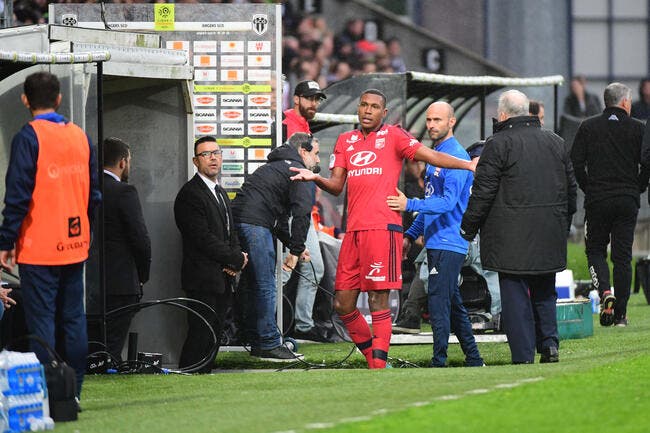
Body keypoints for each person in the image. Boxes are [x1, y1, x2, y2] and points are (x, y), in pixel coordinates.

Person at [290, 89, 476, 369]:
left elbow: (429, 156)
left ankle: (378, 365)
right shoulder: (345, 141)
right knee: (342, 304)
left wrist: (466, 164)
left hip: (383, 229)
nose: (367, 110)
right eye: (363, 105)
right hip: (354, 231)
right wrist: (315, 177)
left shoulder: (395, 136)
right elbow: (337, 185)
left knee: (379, 298)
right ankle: (374, 359)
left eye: (374, 106)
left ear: (383, 113)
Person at [0, 71, 100, 397]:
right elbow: (94, 195)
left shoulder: (28, 137)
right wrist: (86, 232)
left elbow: (17, 195)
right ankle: (74, 392)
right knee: (73, 319)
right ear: (58, 99)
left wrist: (5, 242)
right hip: (75, 245)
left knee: (41, 322)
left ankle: (49, 394)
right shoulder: (80, 137)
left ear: (25, 100)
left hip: (38, 247)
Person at [461, 89, 577, 364]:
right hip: (549, 230)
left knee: (515, 296)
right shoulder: (556, 142)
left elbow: (483, 190)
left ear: (502, 114)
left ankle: (523, 354)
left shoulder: (497, 143)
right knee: (544, 291)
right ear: (528, 111)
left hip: (509, 236)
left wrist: (468, 227)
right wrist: (563, 222)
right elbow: (571, 190)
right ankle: (549, 346)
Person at [387, 102, 484, 368]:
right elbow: (434, 201)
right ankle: (474, 359)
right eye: (429, 120)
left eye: (437, 120)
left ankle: (439, 361)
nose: (431, 125)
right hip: (437, 240)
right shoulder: (436, 155)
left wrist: (410, 205)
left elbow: (448, 203)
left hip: (450, 241)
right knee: (452, 304)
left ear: (451, 122)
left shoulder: (455, 156)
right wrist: (411, 233)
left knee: (439, 303)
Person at [232, 132, 320, 362]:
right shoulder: (297, 171)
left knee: (253, 284)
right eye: (316, 154)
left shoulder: (277, 166)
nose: (318, 161)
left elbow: (280, 219)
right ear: (303, 151)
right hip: (254, 225)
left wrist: (296, 247)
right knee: (265, 284)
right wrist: (295, 250)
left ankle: (255, 338)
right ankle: (269, 343)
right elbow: (301, 215)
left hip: (241, 222)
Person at [571, 83, 650, 327]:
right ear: (626, 103)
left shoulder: (588, 126)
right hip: (627, 200)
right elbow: (646, 161)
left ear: (606, 101)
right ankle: (621, 316)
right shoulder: (639, 128)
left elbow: (576, 162)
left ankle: (605, 292)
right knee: (622, 257)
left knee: (595, 250)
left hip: (598, 199)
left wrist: (588, 187)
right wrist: (638, 186)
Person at [174, 136, 248, 373]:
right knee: (200, 333)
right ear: (196, 161)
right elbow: (202, 238)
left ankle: (203, 375)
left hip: (222, 278)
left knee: (214, 334)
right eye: (206, 154)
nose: (213, 157)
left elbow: (230, 233)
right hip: (201, 278)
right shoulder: (190, 194)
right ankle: (189, 374)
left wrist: (235, 261)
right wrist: (235, 259)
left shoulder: (220, 192)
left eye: (216, 152)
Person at [281, 81, 327, 342]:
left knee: (314, 267)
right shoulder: (285, 123)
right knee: (286, 269)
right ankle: (273, 325)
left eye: (317, 99)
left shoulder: (305, 127)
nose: (314, 104)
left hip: (301, 207)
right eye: (309, 98)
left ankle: (303, 325)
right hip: (286, 208)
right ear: (296, 99)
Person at [101, 137, 151, 361]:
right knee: (111, 347)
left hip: (85, 283)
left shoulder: (81, 189)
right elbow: (140, 239)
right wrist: (142, 276)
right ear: (122, 162)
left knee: (94, 346)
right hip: (120, 284)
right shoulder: (124, 192)